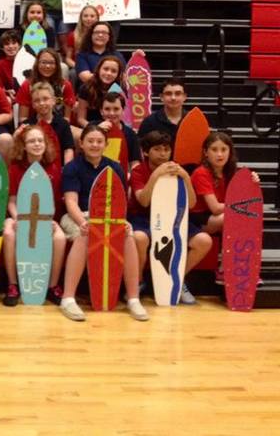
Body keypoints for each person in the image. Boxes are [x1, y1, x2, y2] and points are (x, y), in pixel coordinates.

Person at [58, 124, 149, 322]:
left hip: (109, 217)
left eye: (99, 141)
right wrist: (84, 222)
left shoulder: (114, 167)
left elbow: (119, 200)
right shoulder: (72, 168)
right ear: (81, 144)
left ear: (105, 145)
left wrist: (122, 222)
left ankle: (133, 298)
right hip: (78, 215)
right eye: (90, 141)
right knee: (85, 234)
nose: (95, 145)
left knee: (127, 235)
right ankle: (68, 298)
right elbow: (70, 202)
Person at [128, 130, 212, 305]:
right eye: (157, 149)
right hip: (144, 218)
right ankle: (138, 282)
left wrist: (186, 177)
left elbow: (191, 204)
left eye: (166, 149)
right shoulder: (138, 171)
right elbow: (143, 201)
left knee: (204, 241)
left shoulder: (177, 169)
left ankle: (179, 279)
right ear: (145, 152)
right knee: (139, 238)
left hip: (174, 218)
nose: (163, 154)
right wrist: (156, 174)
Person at [1, 125, 66, 307]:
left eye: (40, 140)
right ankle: (13, 285)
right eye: (31, 141)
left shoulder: (53, 167)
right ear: (23, 145)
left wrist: (49, 222)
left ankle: (52, 286)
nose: (36, 144)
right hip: (19, 216)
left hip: (45, 217)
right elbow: (12, 202)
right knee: (8, 233)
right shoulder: (15, 168)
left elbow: (52, 201)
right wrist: (18, 219)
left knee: (60, 237)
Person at [190, 131, 260, 237]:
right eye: (214, 150)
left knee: (246, 215)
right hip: (198, 218)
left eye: (224, 149)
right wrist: (241, 206)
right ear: (205, 152)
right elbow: (216, 208)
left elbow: (245, 198)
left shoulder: (230, 172)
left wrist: (252, 182)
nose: (219, 154)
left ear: (230, 152)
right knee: (233, 216)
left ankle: (239, 252)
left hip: (220, 214)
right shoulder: (201, 173)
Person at [16, 47, 75, 123]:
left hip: (59, 127)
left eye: (51, 63)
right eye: (43, 62)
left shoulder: (65, 85)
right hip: (34, 128)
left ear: (57, 65)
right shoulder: (27, 85)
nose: (47, 66)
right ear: (37, 64)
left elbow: (67, 118)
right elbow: (23, 118)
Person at [23, 82, 75, 166]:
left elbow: (68, 150)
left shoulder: (63, 124)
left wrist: (66, 170)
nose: (41, 103)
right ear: (32, 105)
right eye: (37, 100)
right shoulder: (26, 125)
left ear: (53, 101)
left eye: (45, 99)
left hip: (57, 169)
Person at [97, 92, 141, 182]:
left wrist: (131, 178)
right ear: (101, 111)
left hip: (120, 179)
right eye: (107, 109)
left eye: (116, 109)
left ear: (123, 110)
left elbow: (135, 162)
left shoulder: (130, 134)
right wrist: (97, 131)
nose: (112, 113)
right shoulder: (92, 127)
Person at [76, 55, 125, 128]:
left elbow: (137, 79)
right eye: (105, 69)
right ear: (99, 69)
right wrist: (96, 128)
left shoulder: (120, 89)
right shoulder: (86, 88)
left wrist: (137, 56)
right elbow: (81, 119)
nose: (109, 73)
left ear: (118, 75)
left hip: (114, 127)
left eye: (113, 71)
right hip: (92, 127)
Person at [137, 77, 188, 145]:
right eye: (168, 93)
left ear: (184, 97)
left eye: (178, 93)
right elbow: (141, 149)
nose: (173, 98)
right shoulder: (149, 122)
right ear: (161, 97)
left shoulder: (194, 120)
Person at [65, 4, 99, 71]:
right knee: (73, 73)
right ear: (81, 18)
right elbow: (68, 59)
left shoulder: (101, 36)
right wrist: (78, 67)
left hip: (97, 67)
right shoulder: (73, 35)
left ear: (97, 18)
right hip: (79, 67)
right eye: (85, 16)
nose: (89, 19)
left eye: (92, 16)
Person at [0, 30, 21, 104]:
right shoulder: (0, 64)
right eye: (7, 44)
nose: (11, 46)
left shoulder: (26, 61)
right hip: (9, 99)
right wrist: (6, 92)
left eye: (14, 43)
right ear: (2, 47)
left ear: (19, 45)